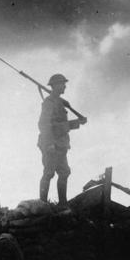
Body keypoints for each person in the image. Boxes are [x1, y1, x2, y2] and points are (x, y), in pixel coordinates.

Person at [38, 74, 86, 206]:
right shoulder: (49, 103)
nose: (64, 86)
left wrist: (78, 122)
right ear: (55, 86)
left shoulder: (59, 103)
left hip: (61, 144)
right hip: (51, 144)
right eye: (62, 83)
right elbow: (43, 125)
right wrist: (49, 144)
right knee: (49, 173)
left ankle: (62, 203)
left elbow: (62, 126)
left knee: (64, 172)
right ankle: (42, 204)